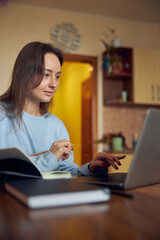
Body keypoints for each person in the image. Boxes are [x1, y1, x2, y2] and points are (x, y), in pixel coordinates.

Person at [0, 41, 125, 176]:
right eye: (46, 74)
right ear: (25, 73)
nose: (54, 84)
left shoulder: (56, 125)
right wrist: (50, 158)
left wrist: (91, 169)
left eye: (57, 76)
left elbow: (67, 172)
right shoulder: (2, 115)